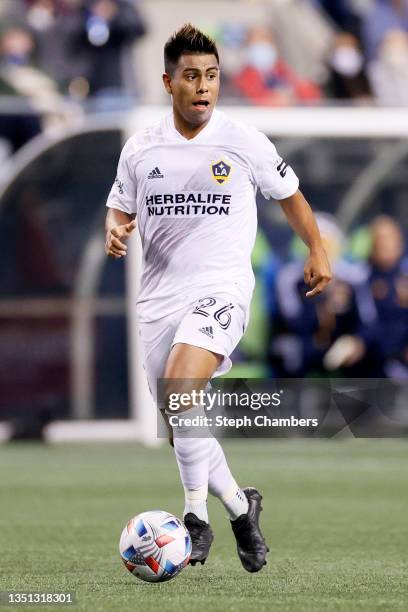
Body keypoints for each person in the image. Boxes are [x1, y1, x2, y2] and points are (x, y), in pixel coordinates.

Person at [104, 24, 331, 573]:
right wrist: (113, 229)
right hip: (159, 299)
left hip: (221, 289)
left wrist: (317, 247)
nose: (203, 86)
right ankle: (239, 505)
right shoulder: (141, 148)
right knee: (182, 418)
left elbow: (291, 196)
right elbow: (120, 206)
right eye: (191, 76)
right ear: (168, 81)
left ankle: (193, 518)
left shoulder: (244, 140)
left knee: (183, 389)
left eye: (211, 76)